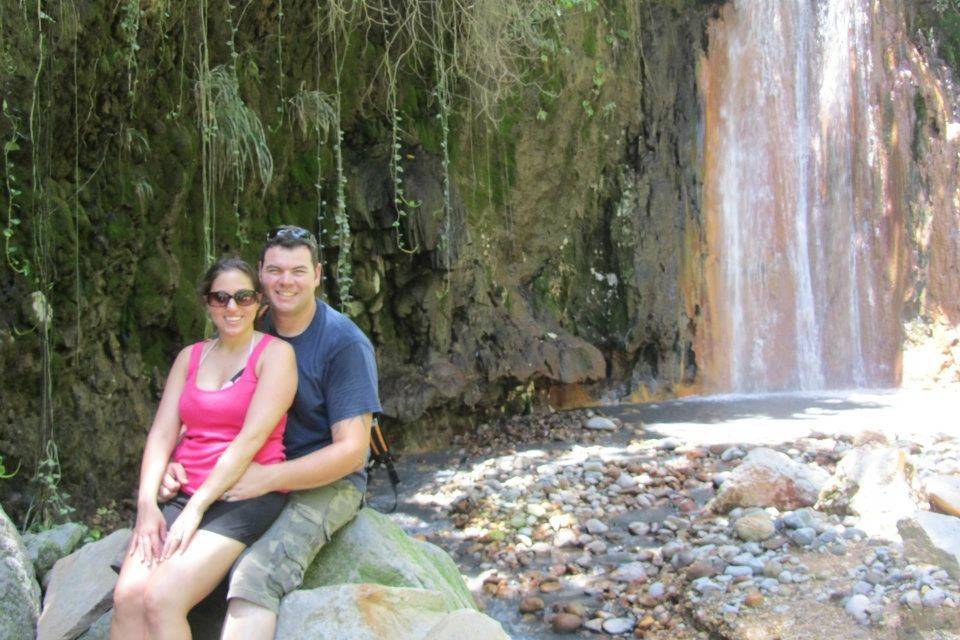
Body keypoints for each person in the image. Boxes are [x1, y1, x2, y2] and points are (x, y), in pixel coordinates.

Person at [160, 226, 381, 639]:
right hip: (246, 464)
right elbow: (206, 400)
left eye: (298, 271)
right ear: (260, 276)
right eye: (275, 270)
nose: (286, 281)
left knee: (253, 577)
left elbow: (352, 452)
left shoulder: (343, 342)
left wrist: (269, 478)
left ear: (317, 275)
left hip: (323, 481)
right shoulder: (245, 320)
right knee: (177, 564)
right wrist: (173, 459)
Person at [111, 257, 298, 639]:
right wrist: (147, 506)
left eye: (244, 298)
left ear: (259, 304)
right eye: (221, 298)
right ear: (208, 304)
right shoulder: (190, 357)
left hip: (241, 494)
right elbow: (162, 434)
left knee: (162, 598)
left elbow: (250, 440)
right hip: (185, 490)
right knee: (128, 597)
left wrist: (196, 509)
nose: (233, 307)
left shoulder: (275, 355)